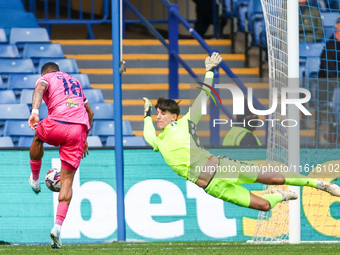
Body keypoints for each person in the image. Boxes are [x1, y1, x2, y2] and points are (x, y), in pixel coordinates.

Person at [143, 52, 340, 212]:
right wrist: (146, 116)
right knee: (263, 206)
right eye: (157, 113)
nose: (158, 117)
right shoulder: (159, 141)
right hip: (213, 187)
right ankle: (280, 195)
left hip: (223, 167)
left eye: (162, 113)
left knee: (275, 177)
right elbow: (148, 135)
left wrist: (209, 71)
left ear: (174, 116)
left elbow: (205, 95)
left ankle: (320, 184)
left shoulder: (186, 122)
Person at [27, 62, 94, 249]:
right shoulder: (75, 82)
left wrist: (34, 112)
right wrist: (85, 137)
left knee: (38, 138)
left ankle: (35, 178)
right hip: (78, 130)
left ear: (43, 73)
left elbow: (40, 89)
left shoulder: (45, 78)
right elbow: (90, 112)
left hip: (57, 122)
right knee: (67, 182)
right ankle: (57, 227)